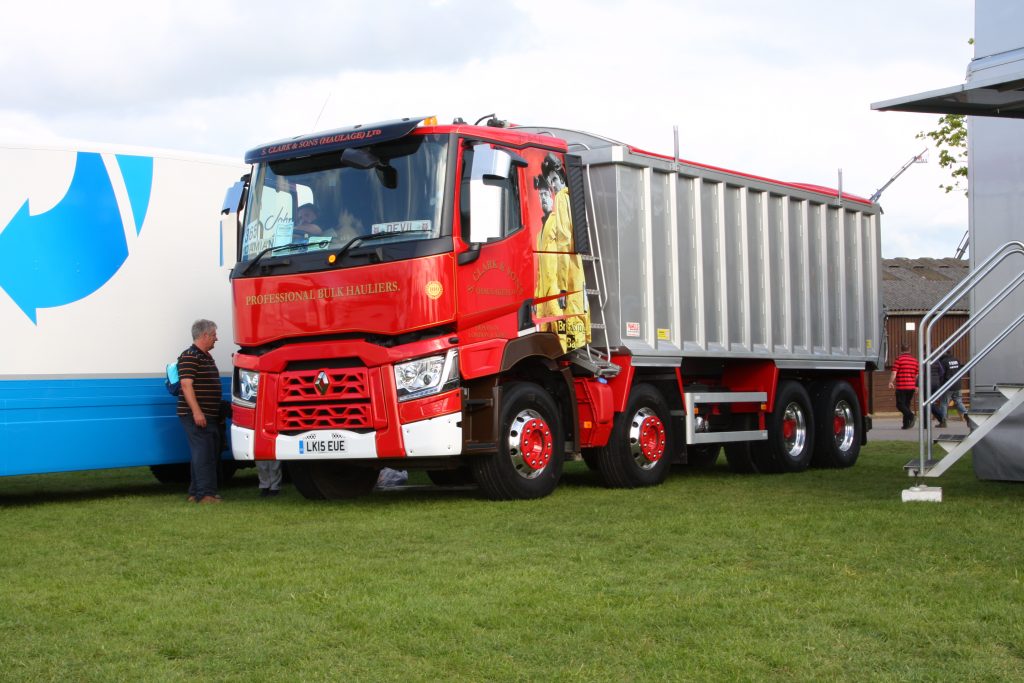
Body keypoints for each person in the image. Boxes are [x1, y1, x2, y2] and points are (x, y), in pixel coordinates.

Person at [177, 319, 225, 504]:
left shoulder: (205, 356)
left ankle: (195, 492)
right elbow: (186, 385)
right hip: (197, 415)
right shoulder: (190, 356)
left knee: (205, 453)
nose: (216, 339)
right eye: (213, 335)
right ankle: (206, 495)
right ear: (204, 335)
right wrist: (197, 412)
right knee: (204, 453)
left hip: (208, 415)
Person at [889, 343, 919, 429]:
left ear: (901, 350)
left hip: (902, 386)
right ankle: (906, 424)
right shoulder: (914, 360)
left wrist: (891, 382)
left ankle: (911, 416)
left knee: (900, 405)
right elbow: (917, 375)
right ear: (909, 350)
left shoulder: (899, 360)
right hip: (911, 386)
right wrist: (917, 386)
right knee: (906, 405)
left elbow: (894, 372)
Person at [940, 351, 969, 423]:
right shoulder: (956, 360)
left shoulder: (943, 362)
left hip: (948, 385)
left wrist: (941, 384)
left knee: (944, 403)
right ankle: (966, 413)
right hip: (957, 384)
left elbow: (942, 374)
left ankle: (943, 421)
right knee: (958, 401)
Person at [928, 356, 947, 428]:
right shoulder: (936, 361)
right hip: (936, 383)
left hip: (928, 383)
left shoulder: (924, 360)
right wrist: (937, 378)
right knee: (931, 403)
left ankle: (942, 418)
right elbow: (942, 372)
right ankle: (941, 419)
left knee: (929, 403)